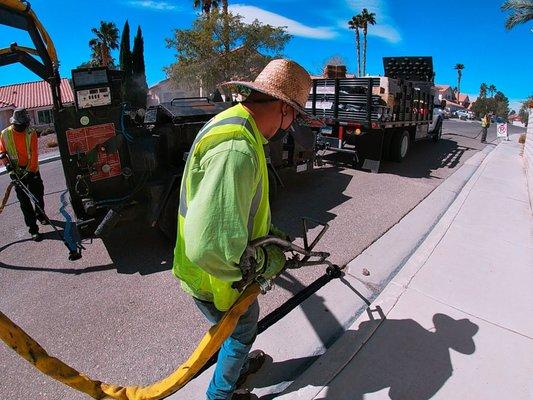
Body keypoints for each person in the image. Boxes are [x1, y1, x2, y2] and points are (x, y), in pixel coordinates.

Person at [172, 59, 312, 400]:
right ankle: (220, 394)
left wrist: (268, 233)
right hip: (212, 275)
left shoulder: (233, 123)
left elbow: (232, 209)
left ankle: (233, 363)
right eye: (293, 114)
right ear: (281, 107)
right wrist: (264, 263)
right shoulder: (238, 146)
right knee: (241, 328)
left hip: (204, 271)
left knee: (232, 329)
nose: (290, 125)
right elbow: (209, 247)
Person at [0, 108, 48, 241]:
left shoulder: (30, 133)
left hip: (32, 170)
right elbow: (2, 153)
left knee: (38, 195)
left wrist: (30, 171)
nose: (23, 127)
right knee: (24, 201)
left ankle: (41, 215)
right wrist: (9, 169)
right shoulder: (5, 134)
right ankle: (33, 229)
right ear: (14, 123)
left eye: (24, 125)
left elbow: (34, 153)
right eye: (20, 125)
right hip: (16, 172)